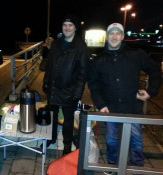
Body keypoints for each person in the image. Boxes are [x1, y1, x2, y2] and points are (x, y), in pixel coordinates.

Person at [88, 23, 161, 175]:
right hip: (110, 107)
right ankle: (112, 165)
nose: (114, 36)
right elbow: (93, 84)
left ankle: (138, 166)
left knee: (136, 139)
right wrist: (100, 104)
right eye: (111, 33)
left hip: (133, 106)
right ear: (107, 37)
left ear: (122, 36)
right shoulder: (99, 60)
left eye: (117, 33)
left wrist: (150, 91)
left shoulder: (136, 54)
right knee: (110, 139)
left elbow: (154, 69)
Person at [42, 15, 89, 155]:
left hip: (69, 90)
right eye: (65, 25)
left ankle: (67, 145)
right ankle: (51, 138)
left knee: (68, 120)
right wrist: (45, 82)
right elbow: (50, 65)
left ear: (75, 28)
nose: (67, 28)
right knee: (53, 115)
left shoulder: (81, 47)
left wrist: (77, 93)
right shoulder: (56, 43)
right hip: (54, 87)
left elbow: (83, 72)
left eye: (70, 25)